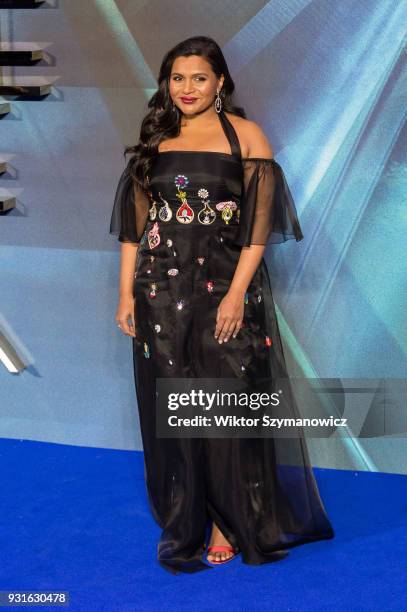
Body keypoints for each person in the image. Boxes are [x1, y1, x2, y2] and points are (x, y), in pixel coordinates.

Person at [109, 36, 334, 574]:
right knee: (178, 409)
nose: (187, 88)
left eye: (199, 78)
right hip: (160, 295)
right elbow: (135, 227)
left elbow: (258, 229)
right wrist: (124, 293)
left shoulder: (246, 137)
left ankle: (228, 521)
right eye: (178, 78)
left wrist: (237, 293)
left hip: (226, 294)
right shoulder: (156, 139)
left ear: (220, 83)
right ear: (167, 84)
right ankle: (191, 515)